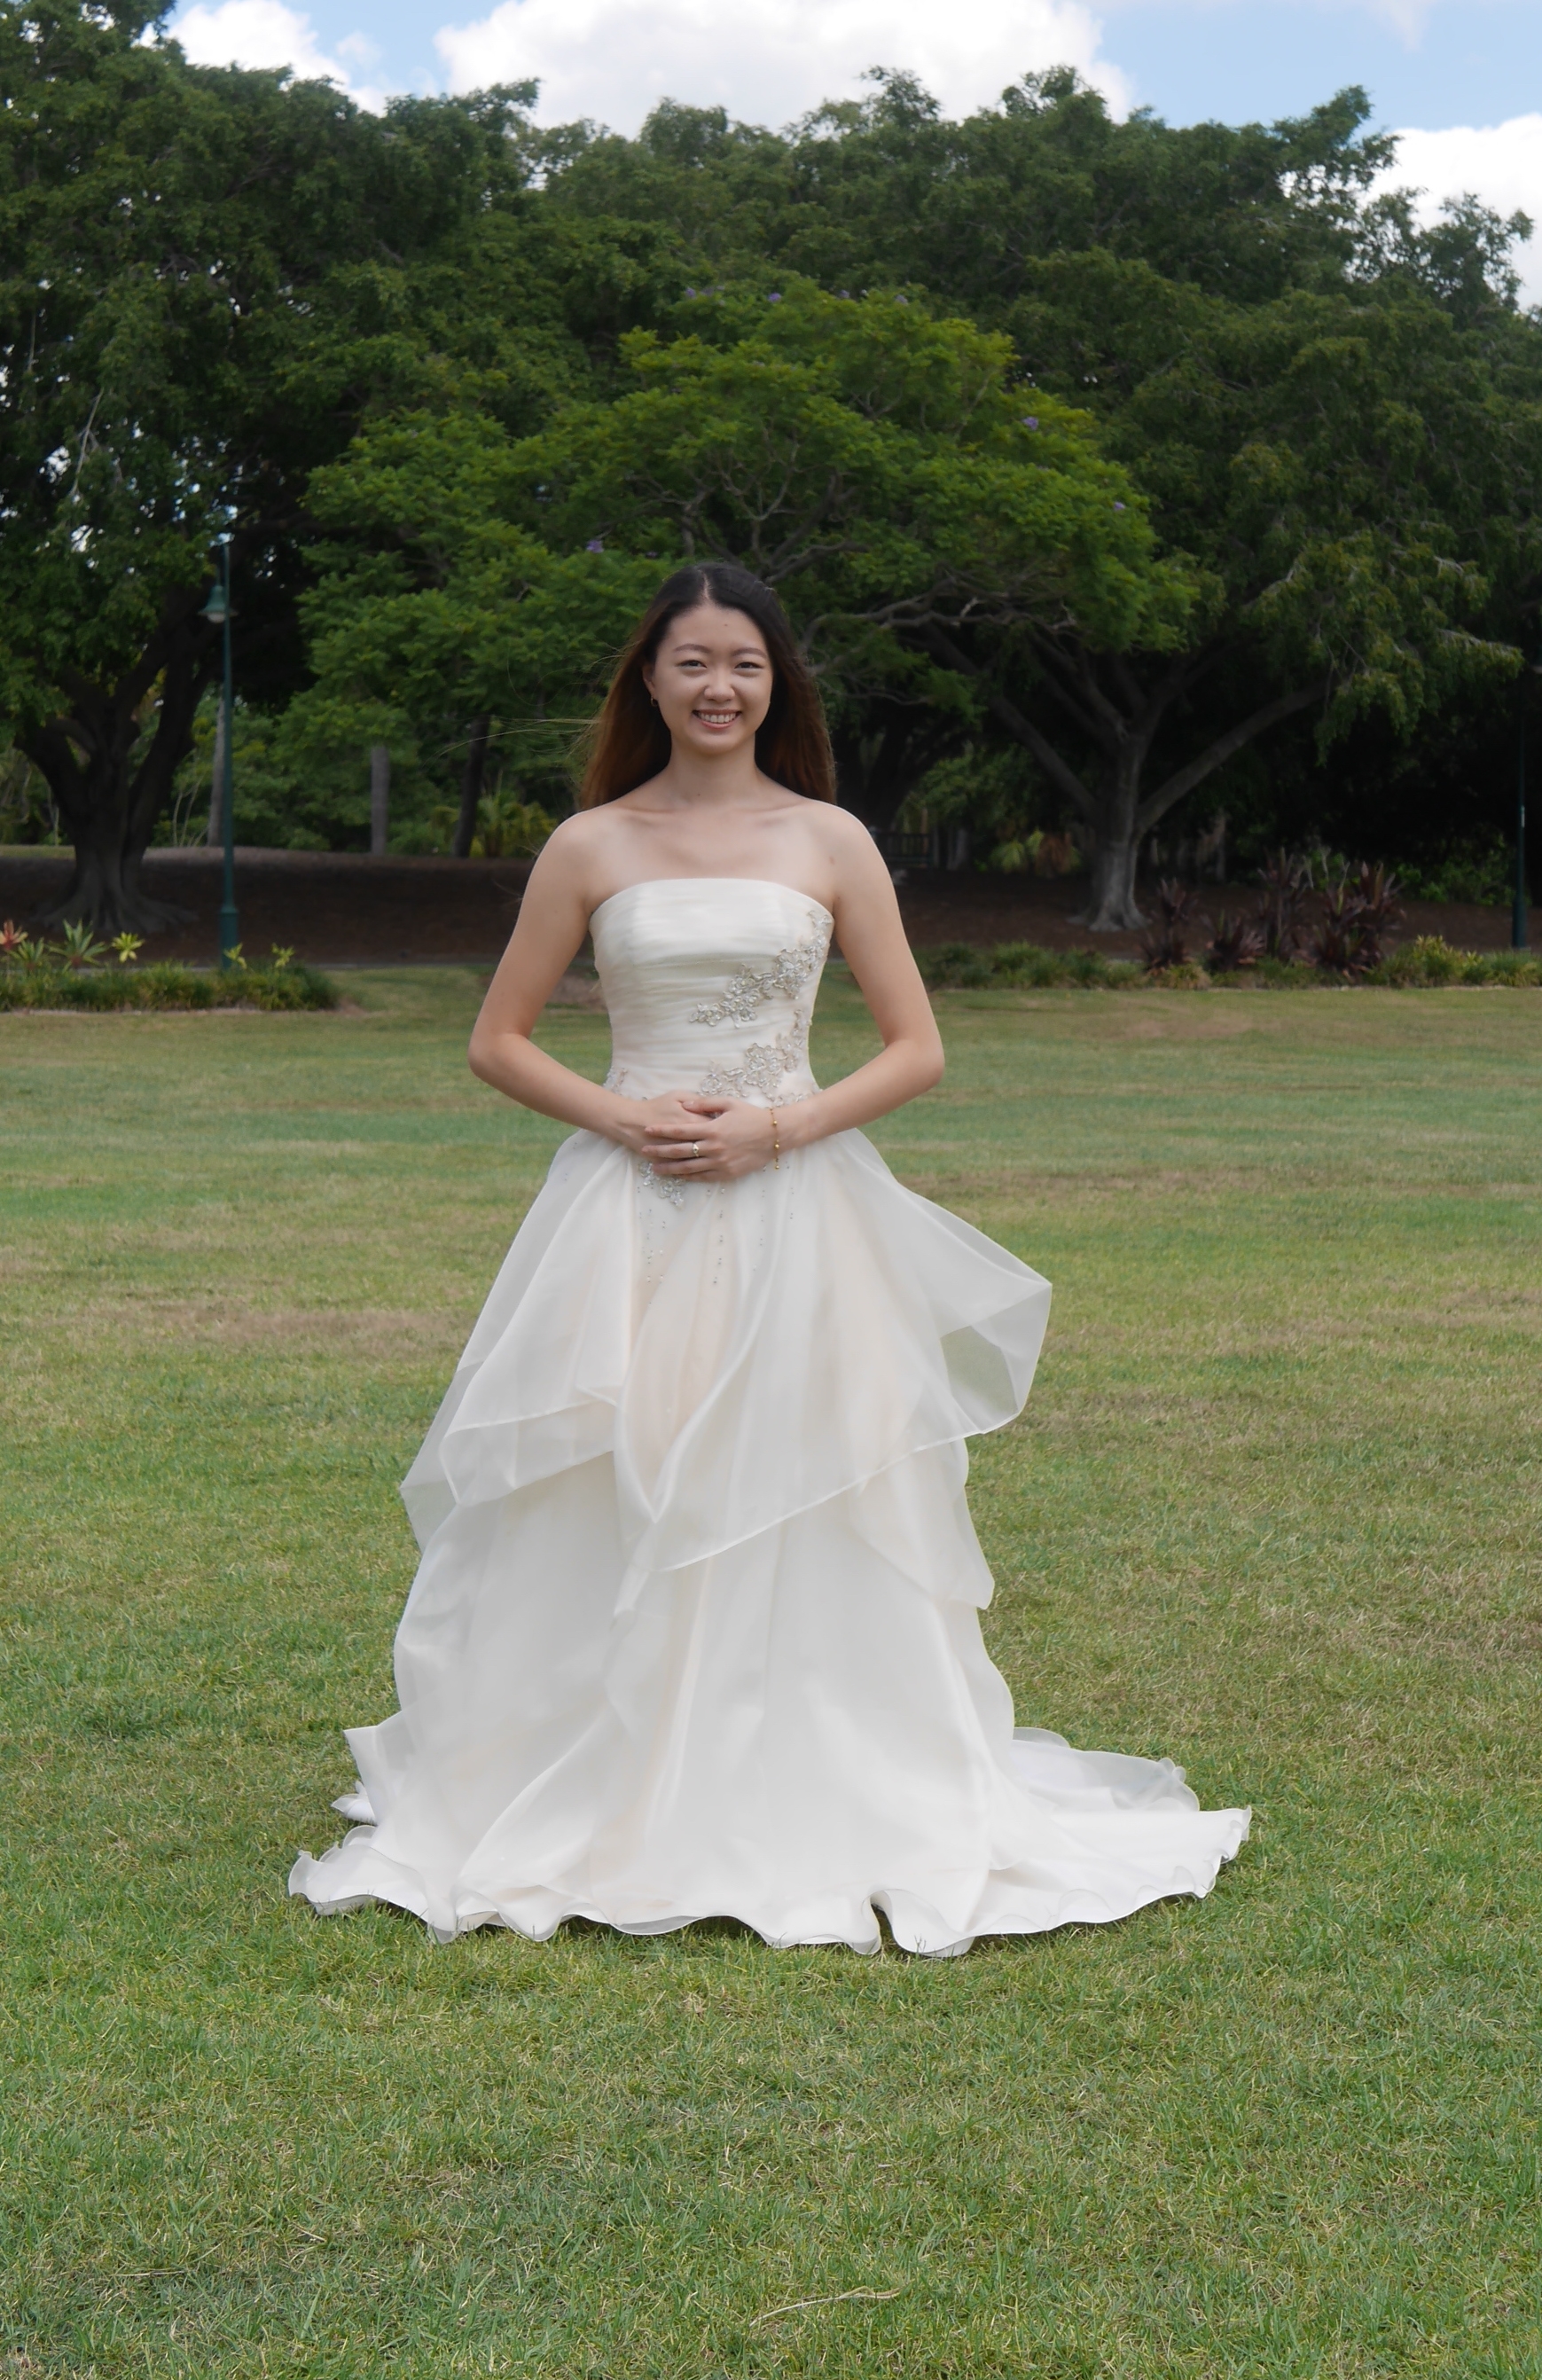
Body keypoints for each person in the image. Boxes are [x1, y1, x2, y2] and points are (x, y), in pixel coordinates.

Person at [290, 562, 1248, 1954]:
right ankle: (600, 1771)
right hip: (624, 1215)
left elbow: (918, 1049)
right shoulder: (589, 845)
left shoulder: (831, 840)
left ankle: (803, 1769)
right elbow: (497, 1039)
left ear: (776, 683)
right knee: (620, 1471)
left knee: (797, 1477)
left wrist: (779, 1128)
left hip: (799, 1210)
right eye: (692, 662)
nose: (719, 686)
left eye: (744, 663)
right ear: (649, 680)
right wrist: (621, 1114)